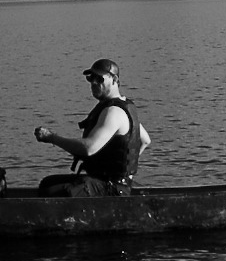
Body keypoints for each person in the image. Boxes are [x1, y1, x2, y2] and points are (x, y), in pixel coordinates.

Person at [31, 58, 149, 195]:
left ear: (115, 80)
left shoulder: (113, 112)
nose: (93, 82)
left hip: (112, 187)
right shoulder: (124, 106)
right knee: (48, 183)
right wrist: (124, 172)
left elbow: (88, 148)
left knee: (53, 191)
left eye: (99, 79)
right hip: (110, 182)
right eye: (91, 78)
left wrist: (51, 137)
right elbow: (145, 140)